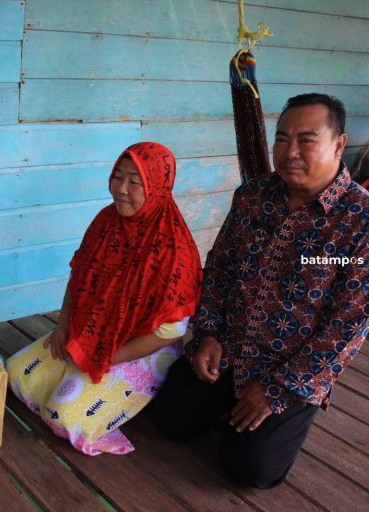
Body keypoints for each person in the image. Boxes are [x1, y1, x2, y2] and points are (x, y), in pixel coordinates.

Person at [149, 93, 369, 488]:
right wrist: (209, 334)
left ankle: (273, 415)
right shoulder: (252, 197)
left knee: (251, 471)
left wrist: (277, 389)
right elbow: (219, 268)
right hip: (228, 348)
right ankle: (228, 405)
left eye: (307, 139)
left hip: (290, 369)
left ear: (339, 144)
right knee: (169, 422)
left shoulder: (361, 221)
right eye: (282, 139)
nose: (290, 152)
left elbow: (348, 327)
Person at [6, 142, 203, 455]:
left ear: (157, 186)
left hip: (141, 348)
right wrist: (62, 328)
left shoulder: (173, 249)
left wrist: (107, 358)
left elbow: (171, 331)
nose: (121, 189)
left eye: (135, 182)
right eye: (117, 177)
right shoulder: (106, 221)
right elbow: (79, 276)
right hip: (93, 331)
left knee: (63, 418)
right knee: (15, 373)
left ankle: (136, 392)